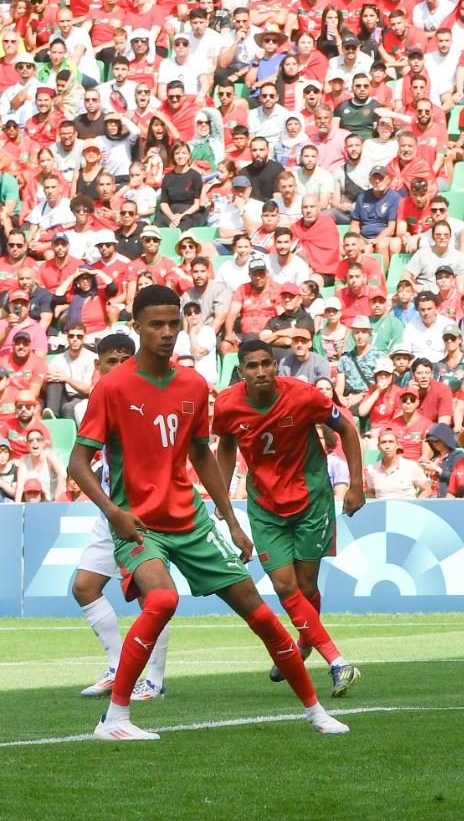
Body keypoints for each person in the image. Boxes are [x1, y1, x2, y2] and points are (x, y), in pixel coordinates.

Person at [68, 285, 348, 740]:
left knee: (259, 613)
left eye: (173, 324)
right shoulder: (113, 387)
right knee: (161, 599)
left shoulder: (195, 386)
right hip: (138, 523)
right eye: (155, 324)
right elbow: (78, 463)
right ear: (136, 326)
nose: (165, 333)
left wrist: (231, 521)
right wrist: (112, 511)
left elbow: (202, 455)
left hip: (190, 519)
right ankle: (115, 719)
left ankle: (315, 710)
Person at [213, 340, 367, 696]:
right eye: (253, 366)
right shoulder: (227, 405)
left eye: (267, 363)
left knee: (306, 587)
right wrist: (221, 492)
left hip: (311, 501)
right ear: (241, 372)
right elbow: (226, 445)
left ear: (276, 366)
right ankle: (338, 661)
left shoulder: (303, 395)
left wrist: (356, 485)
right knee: (284, 587)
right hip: (265, 507)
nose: (261, 371)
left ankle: (304, 643)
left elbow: (346, 428)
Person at [69, 334, 172, 701]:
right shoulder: (94, 404)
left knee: (153, 597)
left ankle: (155, 681)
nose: (119, 367)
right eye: (110, 361)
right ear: (98, 367)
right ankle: (117, 666)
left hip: (145, 512)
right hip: (111, 511)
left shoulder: (148, 397)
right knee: (84, 587)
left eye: (125, 359)